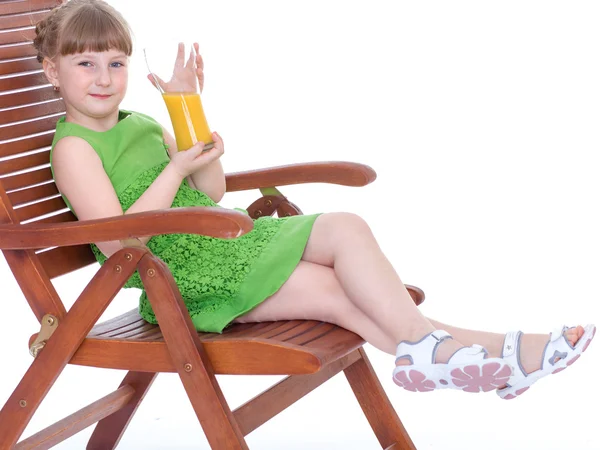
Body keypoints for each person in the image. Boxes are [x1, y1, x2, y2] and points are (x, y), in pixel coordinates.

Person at [34, 0, 594, 398]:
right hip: (185, 277)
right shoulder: (76, 149)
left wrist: (189, 114)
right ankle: (497, 356)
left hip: (229, 243)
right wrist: (178, 165)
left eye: (116, 62)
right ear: (51, 71)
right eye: (86, 63)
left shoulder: (143, 124)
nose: (104, 77)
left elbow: (209, 191)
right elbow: (112, 244)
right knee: (340, 293)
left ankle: (458, 354)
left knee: (347, 225)